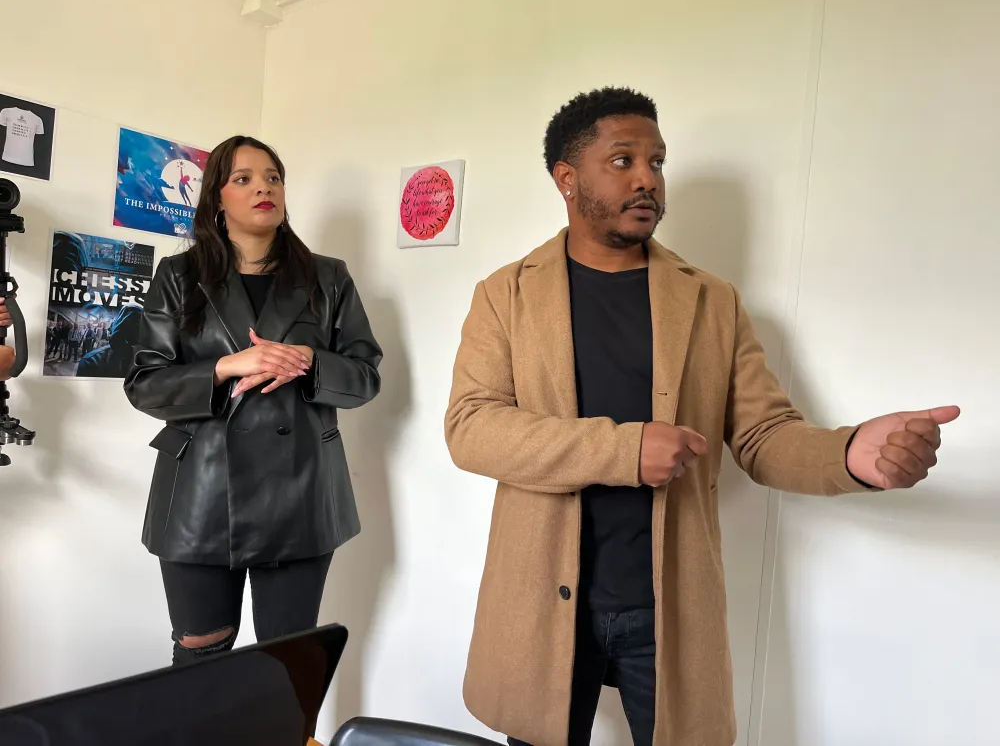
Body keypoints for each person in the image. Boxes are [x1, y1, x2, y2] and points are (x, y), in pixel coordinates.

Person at [443, 87, 959, 746]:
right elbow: (472, 427)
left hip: (668, 608)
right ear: (567, 178)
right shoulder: (505, 294)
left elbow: (764, 435)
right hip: (539, 601)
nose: (647, 179)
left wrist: (850, 453)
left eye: (657, 162)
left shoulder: (713, 300)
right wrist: (625, 451)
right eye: (624, 160)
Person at [124, 135, 382, 666]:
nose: (264, 188)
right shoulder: (180, 276)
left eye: (273, 177)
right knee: (201, 661)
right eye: (243, 179)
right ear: (217, 198)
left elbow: (364, 377)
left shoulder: (328, 277)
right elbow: (145, 383)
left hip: (301, 492)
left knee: (286, 667)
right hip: (200, 495)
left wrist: (308, 360)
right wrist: (226, 366)